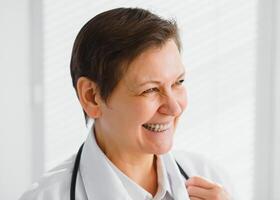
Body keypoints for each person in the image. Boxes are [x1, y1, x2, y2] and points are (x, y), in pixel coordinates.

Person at [20, 7, 234, 200]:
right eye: (150, 90)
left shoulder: (211, 178)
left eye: (178, 82)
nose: (174, 107)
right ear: (91, 97)